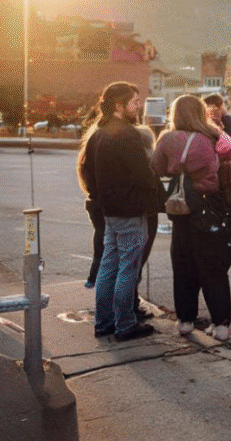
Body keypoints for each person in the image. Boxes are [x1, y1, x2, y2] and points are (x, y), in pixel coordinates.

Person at [152, 95, 231, 342]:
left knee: (183, 264)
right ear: (200, 112)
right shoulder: (216, 136)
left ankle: (185, 321)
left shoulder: (167, 139)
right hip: (211, 207)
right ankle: (221, 325)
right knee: (213, 267)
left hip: (181, 208)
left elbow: (158, 168)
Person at [76, 82, 160, 341]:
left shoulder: (98, 134)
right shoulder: (126, 134)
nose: (138, 105)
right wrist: (159, 197)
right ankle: (125, 325)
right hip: (129, 210)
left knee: (109, 267)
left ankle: (104, 323)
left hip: (109, 211)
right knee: (128, 269)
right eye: (134, 101)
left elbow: (88, 172)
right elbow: (143, 174)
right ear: (119, 106)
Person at [133, 124, 162, 320]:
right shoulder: (148, 162)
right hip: (145, 214)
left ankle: (128, 303)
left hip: (129, 212)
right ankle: (131, 305)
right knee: (137, 261)